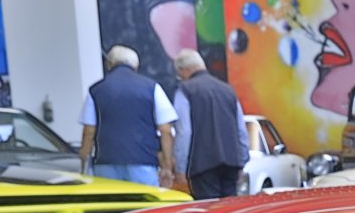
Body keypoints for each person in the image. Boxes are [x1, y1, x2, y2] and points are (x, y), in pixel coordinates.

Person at [78, 46, 177, 187]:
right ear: (136, 66)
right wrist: (167, 166)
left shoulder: (95, 90)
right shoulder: (152, 87)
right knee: (145, 201)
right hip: (143, 161)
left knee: (112, 201)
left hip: (106, 161)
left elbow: (89, 132)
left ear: (109, 64)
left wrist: (84, 165)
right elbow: (166, 130)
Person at [172, 49, 250, 200]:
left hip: (202, 164)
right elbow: (241, 130)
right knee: (230, 208)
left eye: (179, 74)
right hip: (231, 162)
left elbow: (184, 132)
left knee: (209, 208)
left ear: (184, 70)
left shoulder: (185, 90)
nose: (180, 78)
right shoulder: (228, 90)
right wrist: (242, 161)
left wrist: (181, 168)